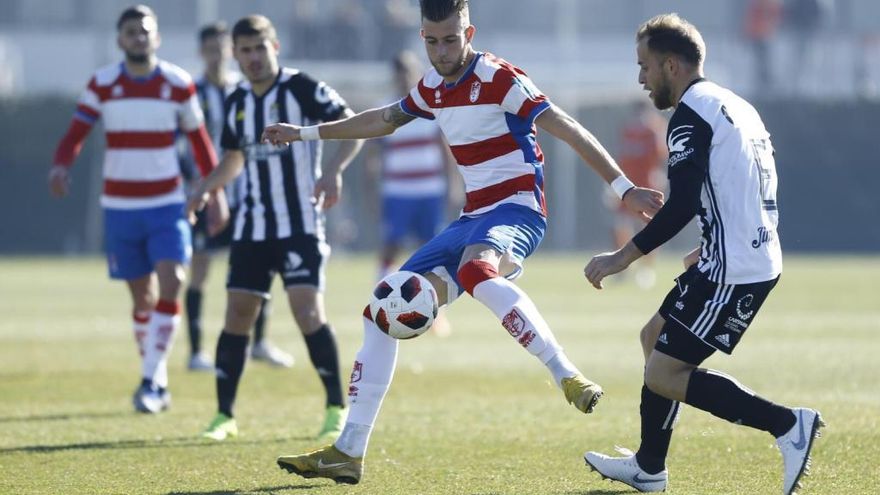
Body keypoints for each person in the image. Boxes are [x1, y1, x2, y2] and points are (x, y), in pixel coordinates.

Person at [263, 0, 663, 484]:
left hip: (518, 208)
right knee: (381, 309)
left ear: (468, 32)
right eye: (431, 41)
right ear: (422, 37)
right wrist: (304, 134)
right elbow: (381, 120)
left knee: (476, 271)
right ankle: (348, 452)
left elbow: (568, 129)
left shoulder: (499, 77)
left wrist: (624, 188)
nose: (441, 50)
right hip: (470, 218)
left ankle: (566, 374)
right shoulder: (432, 87)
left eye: (451, 39)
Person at [582, 14, 823, 495]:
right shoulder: (735, 105)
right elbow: (759, 188)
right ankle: (650, 467)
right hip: (735, 257)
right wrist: (715, 239)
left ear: (671, 65)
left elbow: (682, 204)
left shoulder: (690, 117)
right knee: (654, 338)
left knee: (666, 372)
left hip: (735, 269)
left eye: (645, 66)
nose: (640, 78)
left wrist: (620, 258)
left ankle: (787, 425)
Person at [187, 15, 363, 442]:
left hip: (299, 223)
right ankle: (224, 415)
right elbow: (235, 157)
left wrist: (335, 170)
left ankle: (336, 407)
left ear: (274, 47)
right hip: (252, 227)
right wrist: (208, 189)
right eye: (243, 50)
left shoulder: (301, 87)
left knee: (307, 311)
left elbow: (352, 126)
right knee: (237, 316)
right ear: (235, 54)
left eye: (258, 48)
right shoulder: (238, 100)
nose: (252, 58)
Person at [49, 4, 226, 414]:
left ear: (157, 37)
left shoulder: (178, 83)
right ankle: (157, 377)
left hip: (167, 204)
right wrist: (61, 165)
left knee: (173, 279)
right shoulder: (103, 84)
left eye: (145, 31)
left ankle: (150, 378)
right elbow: (75, 134)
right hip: (120, 207)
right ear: (120, 40)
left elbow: (200, 145)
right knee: (142, 298)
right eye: (131, 32)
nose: (139, 38)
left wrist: (214, 194)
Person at [183, 22, 294, 371]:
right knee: (200, 269)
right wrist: (204, 188)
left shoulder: (243, 89)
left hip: (248, 195)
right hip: (210, 193)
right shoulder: (193, 92)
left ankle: (260, 342)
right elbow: (183, 147)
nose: (218, 54)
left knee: (260, 266)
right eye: (211, 48)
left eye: (223, 47)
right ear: (202, 52)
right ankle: (196, 351)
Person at [370, 50, 454, 280]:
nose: (404, 77)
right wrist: (374, 193)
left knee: (431, 246)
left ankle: (431, 304)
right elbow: (373, 157)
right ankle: (382, 289)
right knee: (391, 243)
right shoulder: (384, 109)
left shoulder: (432, 107)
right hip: (397, 192)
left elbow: (445, 149)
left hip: (430, 190)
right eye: (400, 73)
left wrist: (453, 186)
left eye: (408, 71)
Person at [606, 100, 666, 288]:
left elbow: (661, 156)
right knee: (621, 227)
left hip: (648, 184)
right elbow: (620, 158)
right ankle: (621, 267)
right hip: (627, 187)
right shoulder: (628, 131)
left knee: (650, 229)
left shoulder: (655, 130)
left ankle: (646, 270)